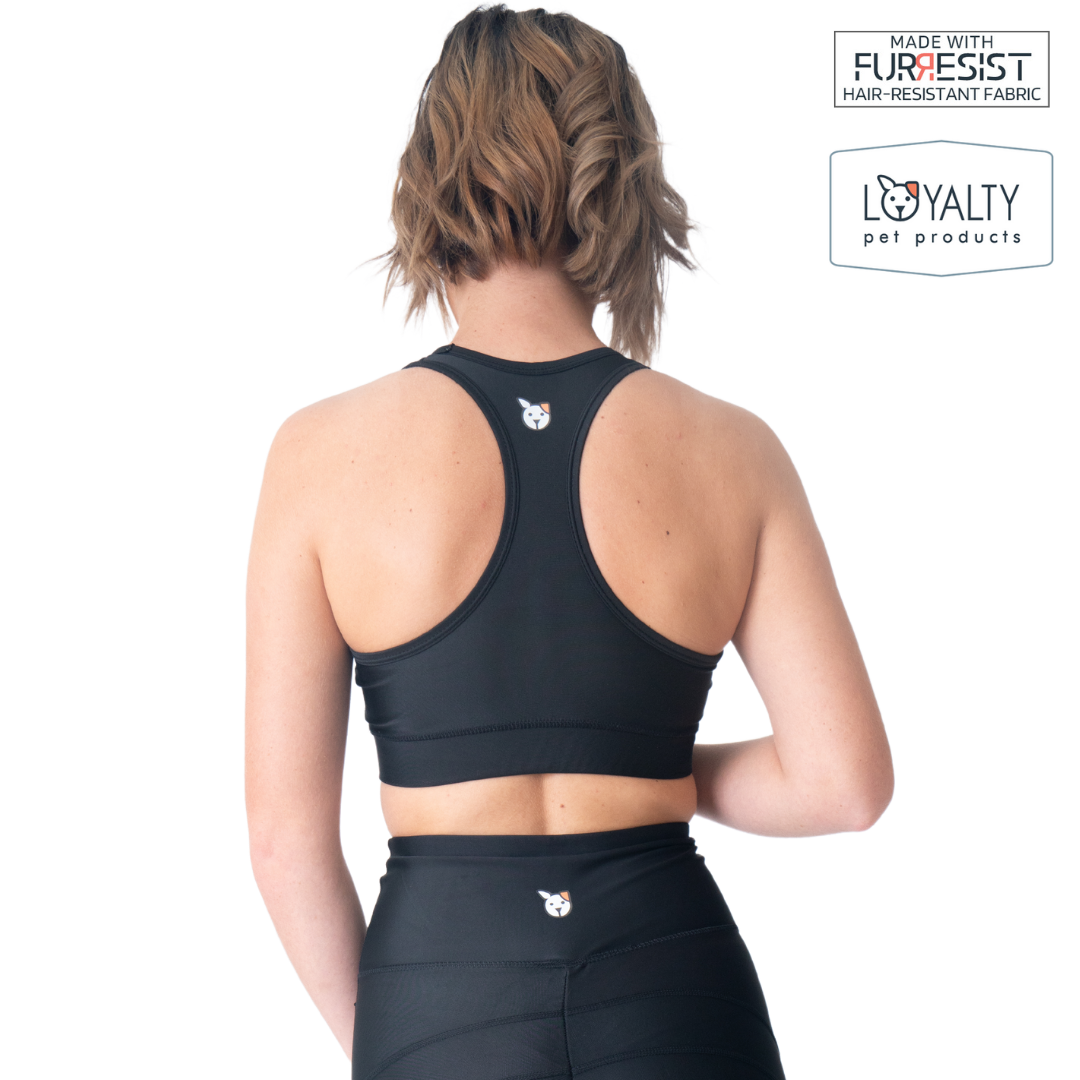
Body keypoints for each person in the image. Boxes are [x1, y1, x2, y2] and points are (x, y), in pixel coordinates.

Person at [245, 6, 894, 1078]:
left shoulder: (319, 454)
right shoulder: (734, 450)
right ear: (622, 183)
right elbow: (842, 784)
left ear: (429, 179)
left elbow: (284, 841)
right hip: (676, 989)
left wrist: (407, 1044)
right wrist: (646, 771)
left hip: (439, 989)